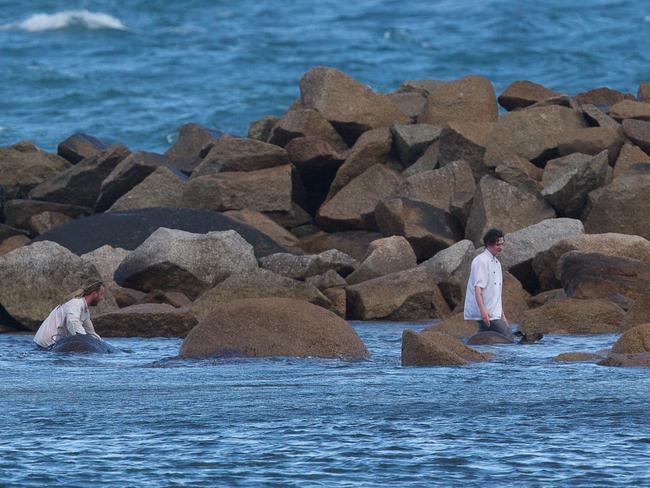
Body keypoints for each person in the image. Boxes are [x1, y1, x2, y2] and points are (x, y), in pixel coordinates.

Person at [463, 229, 513, 340]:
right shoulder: (481, 261)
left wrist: (502, 315)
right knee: (509, 338)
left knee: (484, 341)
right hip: (487, 313)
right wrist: (483, 311)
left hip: (494, 313)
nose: (501, 247)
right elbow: (478, 289)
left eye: (502, 244)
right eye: (497, 244)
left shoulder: (497, 263)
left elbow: (497, 293)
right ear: (489, 244)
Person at [33, 280, 106, 350]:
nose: (102, 298)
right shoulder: (75, 303)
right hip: (45, 346)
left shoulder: (85, 310)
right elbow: (72, 322)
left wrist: (103, 345)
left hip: (52, 346)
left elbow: (91, 332)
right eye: (101, 294)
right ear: (94, 294)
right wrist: (86, 341)